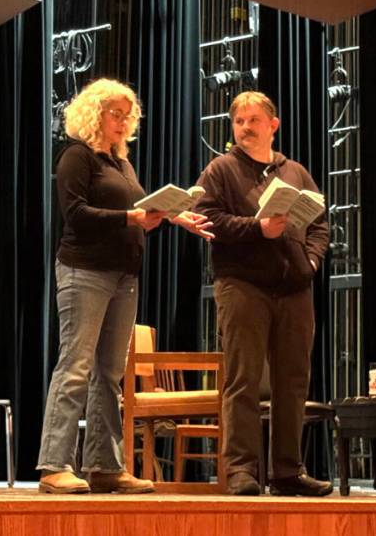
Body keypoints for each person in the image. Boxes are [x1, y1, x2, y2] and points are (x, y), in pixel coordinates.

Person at [37, 78, 213, 494]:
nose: (122, 121)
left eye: (127, 115)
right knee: (76, 366)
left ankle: (103, 465)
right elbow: (76, 214)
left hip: (124, 275)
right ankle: (53, 464)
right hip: (85, 271)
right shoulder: (77, 157)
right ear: (94, 113)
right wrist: (132, 219)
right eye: (115, 113)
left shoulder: (123, 164)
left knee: (110, 374)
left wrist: (173, 216)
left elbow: (135, 207)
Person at [195, 90, 331, 497]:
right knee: (244, 379)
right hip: (243, 284)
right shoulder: (221, 170)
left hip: (294, 288)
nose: (245, 128)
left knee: (292, 381)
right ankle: (241, 470)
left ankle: (288, 471)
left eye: (254, 120)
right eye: (238, 121)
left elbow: (320, 224)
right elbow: (206, 219)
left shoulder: (295, 172)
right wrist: (258, 229)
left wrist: (310, 263)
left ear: (273, 125)